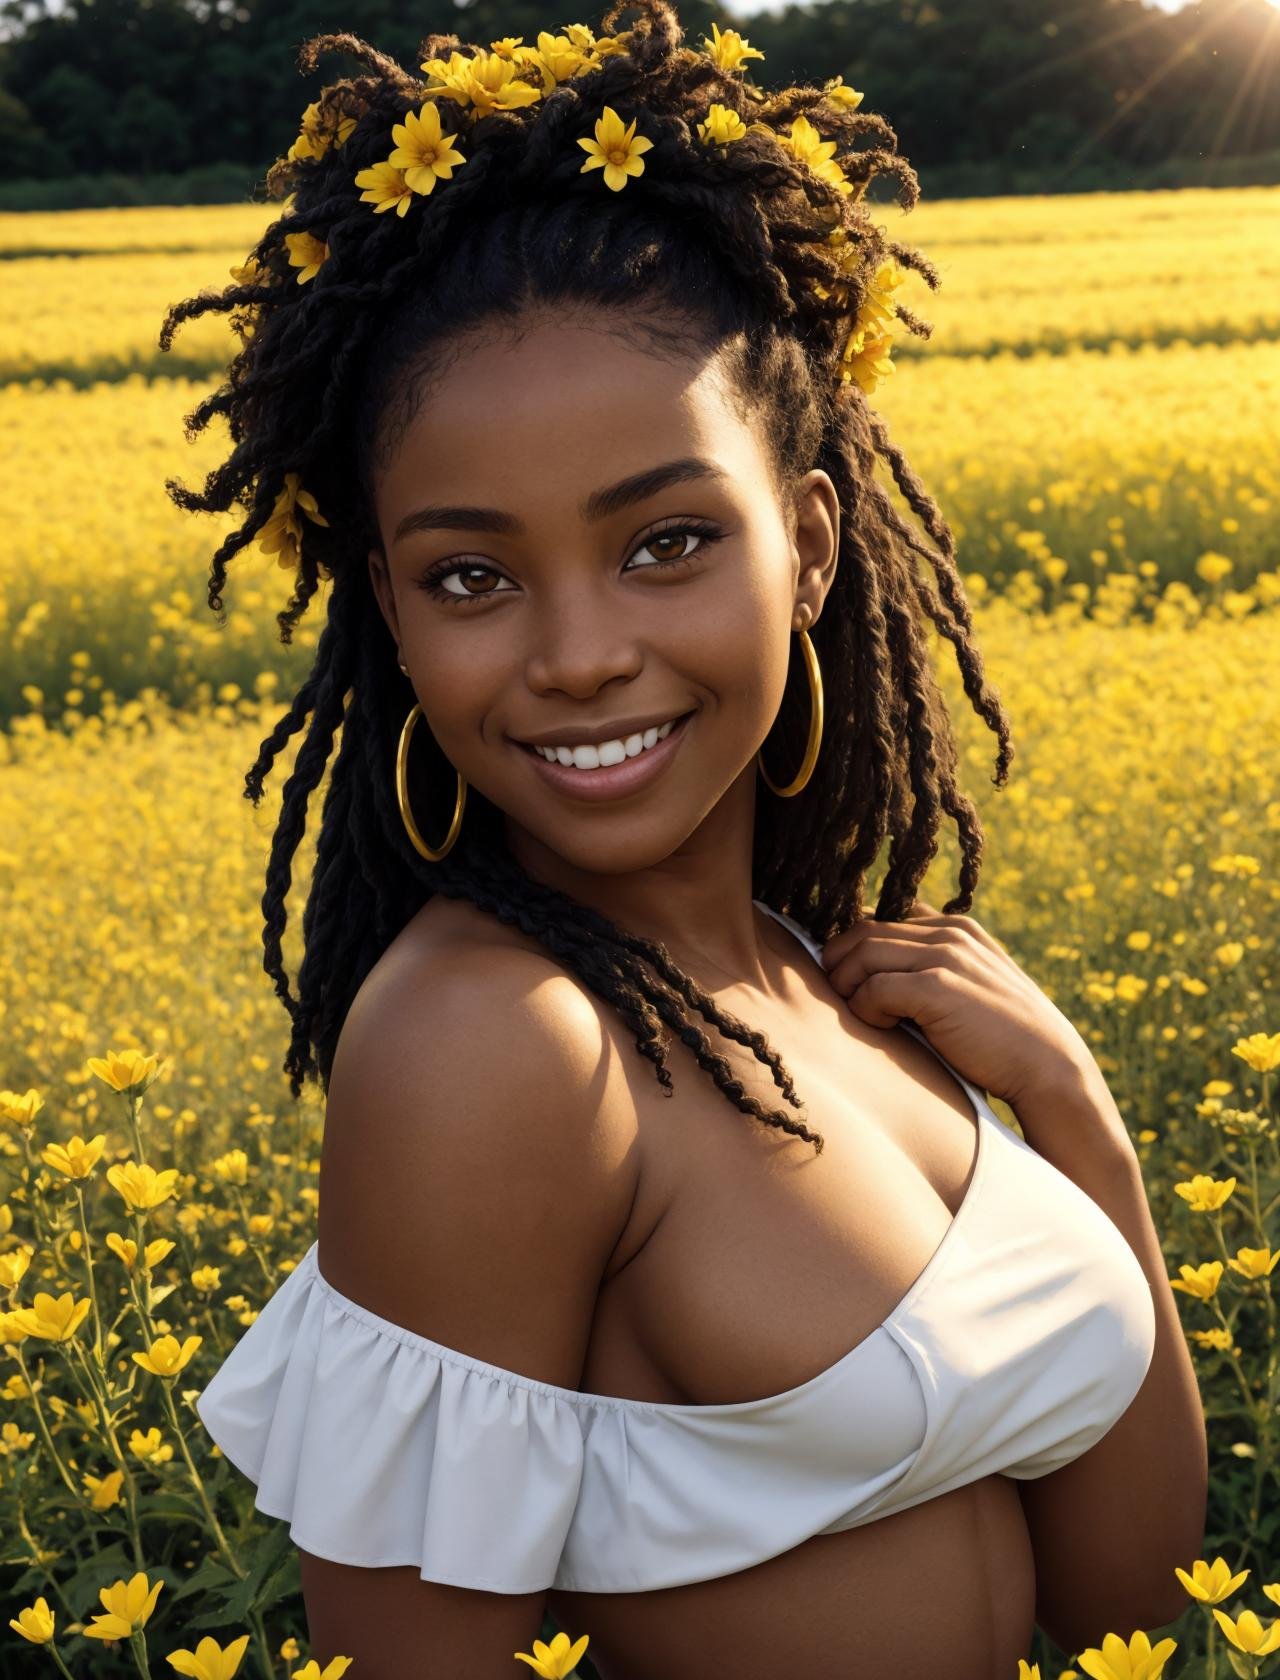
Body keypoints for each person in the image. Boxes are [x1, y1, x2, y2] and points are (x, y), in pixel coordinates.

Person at [161, 2, 1204, 1673]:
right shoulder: (494, 1048)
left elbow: (1133, 1608)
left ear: (807, 541)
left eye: (664, 542)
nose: (576, 653)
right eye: (473, 577)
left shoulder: (830, 981)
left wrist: (1082, 1123)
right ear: (393, 617)